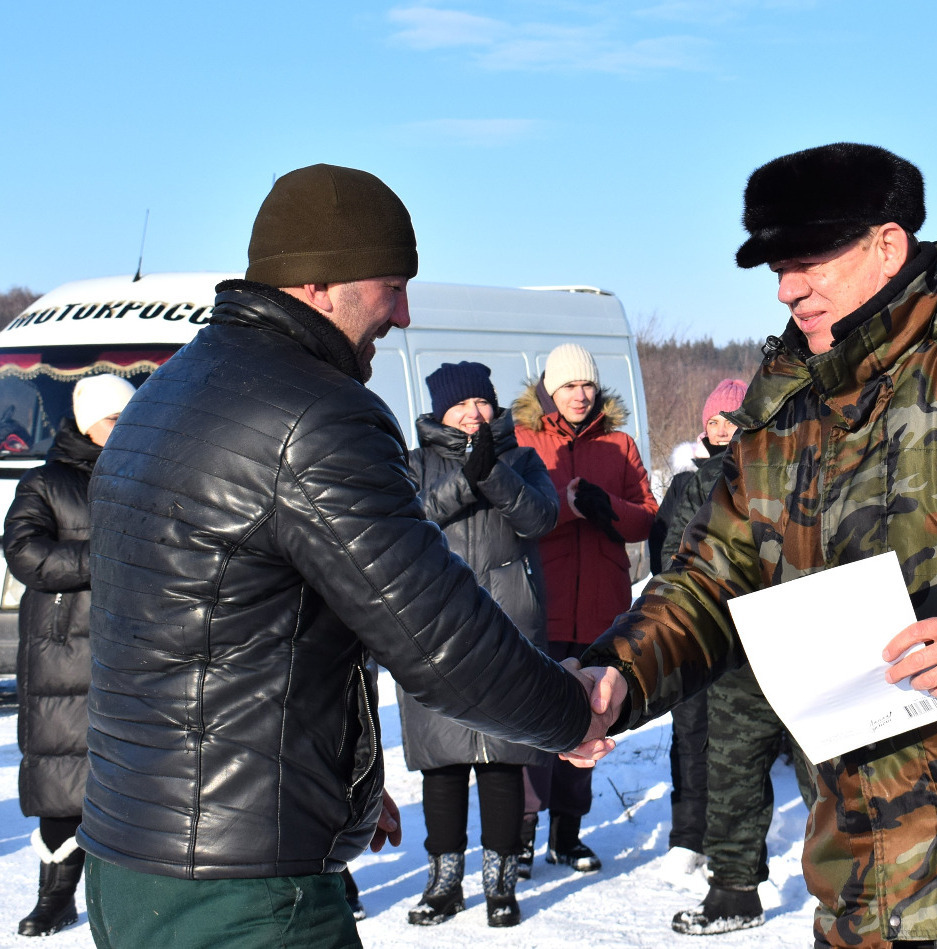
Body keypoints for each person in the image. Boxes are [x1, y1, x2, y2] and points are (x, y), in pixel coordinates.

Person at [571, 143, 937, 949]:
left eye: (807, 261)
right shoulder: (783, 415)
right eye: (775, 268)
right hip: (867, 881)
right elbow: (711, 576)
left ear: (886, 246)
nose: (788, 288)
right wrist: (622, 669)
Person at [77, 164, 613, 949]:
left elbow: (205, 633)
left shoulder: (169, 391)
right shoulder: (314, 415)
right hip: (245, 892)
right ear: (320, 282)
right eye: (391, 284)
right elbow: (435, 635)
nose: (401, 313)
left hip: (135, 853)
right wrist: (569, 714)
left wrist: (330, 785)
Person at [397, 361, 559, 928]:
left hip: (509, 625)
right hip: (433, 629)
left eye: (481, 403)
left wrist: (494, 472)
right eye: (460, 405)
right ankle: (443, 881)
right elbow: (408, 522)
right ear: (440, 412)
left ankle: (501, 881)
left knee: (501, 759)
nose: (472, 413)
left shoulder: (520, 457)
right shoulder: (413, 464)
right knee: (442, 762)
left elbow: (541, 518)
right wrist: (468, 476)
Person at [512, 343, 659, 873]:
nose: (579, 394)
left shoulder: (619, 444)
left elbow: (647, 518)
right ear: (551, 389)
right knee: (534, 724)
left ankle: (567, 835)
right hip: (540, 606)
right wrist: (568, 509)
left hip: (602, 607)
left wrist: (605, 507)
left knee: (591, 722)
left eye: (586, 385)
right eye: (569, 385)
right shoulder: (523, 441)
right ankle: (522, 833)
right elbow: (515, 514)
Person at [2, 373, 134, 937]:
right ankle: (55, 897)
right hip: (62, 653)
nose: (123, 428)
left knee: (131, 782)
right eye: (112, 419)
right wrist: (105, 557)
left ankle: (127, 900)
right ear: (86, 424)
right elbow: (26, 554)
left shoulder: (144, 476)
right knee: (62, 783)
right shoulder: (44, 483)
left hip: (134, 650)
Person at [648, 378, 748, 877]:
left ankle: (735, 841)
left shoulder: (761, 476)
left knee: (739, 743)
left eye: (733, 418)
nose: (724, 427)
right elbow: (661, 547)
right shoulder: (686, 481)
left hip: (747, 633)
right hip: (691, 629)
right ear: (703, 428)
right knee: (689, 732)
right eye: (715, 420)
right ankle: (687, 836)